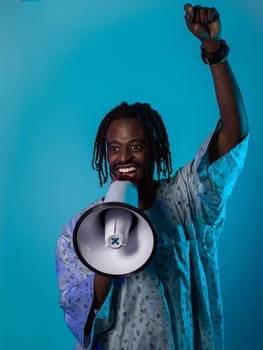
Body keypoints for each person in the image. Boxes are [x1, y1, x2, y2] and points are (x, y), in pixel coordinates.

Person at [56, 3, 249, 350]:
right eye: (114, 148)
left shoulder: (186, 199)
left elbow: (234, 132)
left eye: (136, 146)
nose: (124, 157)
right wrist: (108, 247)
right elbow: (82, 316)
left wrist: (213, 51)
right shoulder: (78, 233)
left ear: (156, 151)